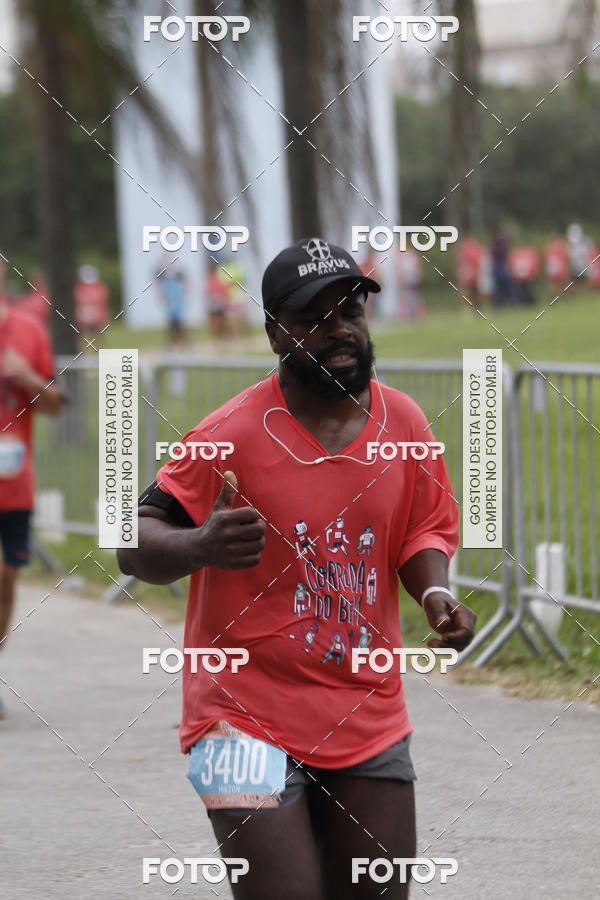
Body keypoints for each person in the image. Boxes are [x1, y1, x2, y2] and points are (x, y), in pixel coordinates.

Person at [117, 237, 476, 899]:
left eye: (351, 312)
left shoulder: (404, 423)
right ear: (275, 334)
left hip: (365, 708)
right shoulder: (230, 433)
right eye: (314, 318)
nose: (339, 330)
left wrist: (434, 592)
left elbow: (423, 528)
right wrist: (199, 546)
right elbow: (131, 539)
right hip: (237, 717)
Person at [0, 293, 64, 717]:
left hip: (13, 480)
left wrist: (27, 378)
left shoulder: (28, 330)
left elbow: (54, 405)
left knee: (6, 580)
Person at [73, 264, 110, 349]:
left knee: (99, 339)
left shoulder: (100, 287)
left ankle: (101, 354)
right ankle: (82, 355)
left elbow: (101, 302)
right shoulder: (79, 288)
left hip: (97, 319)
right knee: (82, 339)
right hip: (82, 319)